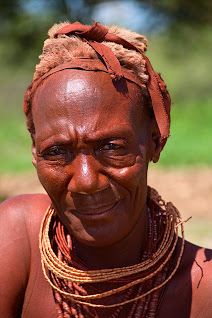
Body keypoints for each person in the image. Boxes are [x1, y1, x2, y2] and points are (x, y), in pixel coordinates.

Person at [0, 21, 211, 318]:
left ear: (154, 142)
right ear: (35, 154)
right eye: (57, 152)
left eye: (112, 147)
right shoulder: (14, 238)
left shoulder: (202, 288)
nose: (86, 182)